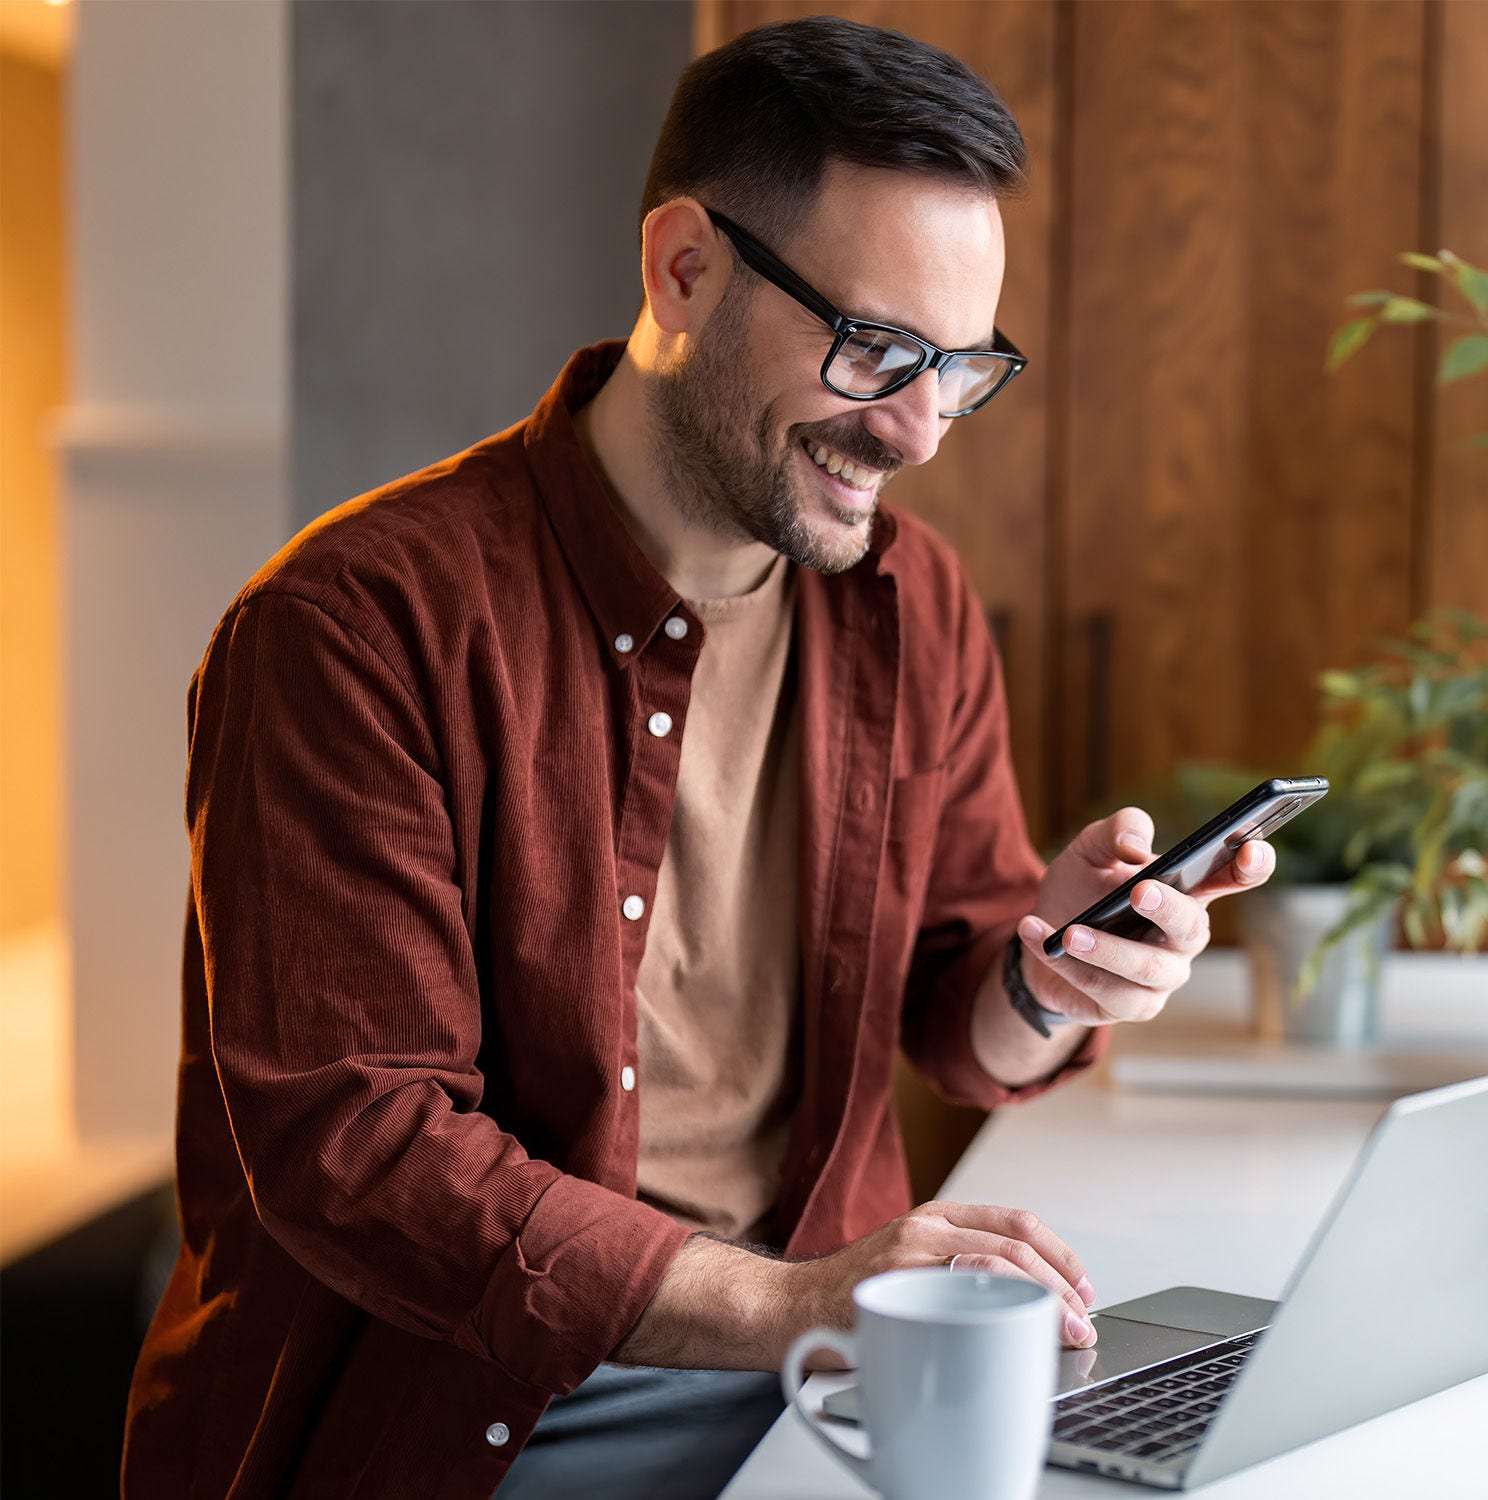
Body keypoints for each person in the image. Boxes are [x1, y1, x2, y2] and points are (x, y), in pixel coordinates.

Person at [121, 17, 1277, 1500]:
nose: (921, 429)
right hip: (481, 1422)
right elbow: (363, 1150)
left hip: (826, 1374)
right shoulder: (352, 628)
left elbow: (951, 1023)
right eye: (877, 351)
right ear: (684, 268)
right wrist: (804, 1301)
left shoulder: (908, 606)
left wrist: (1049, 977)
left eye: (964, 367)